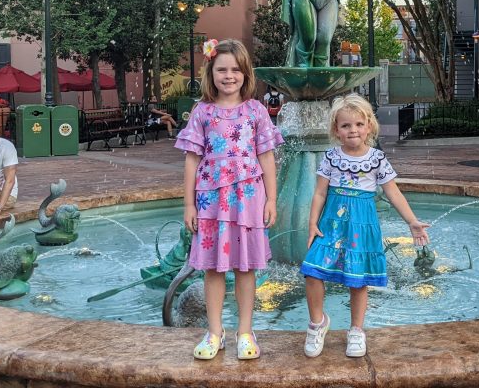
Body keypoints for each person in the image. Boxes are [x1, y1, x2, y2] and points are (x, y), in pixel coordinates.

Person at [174, 39, 283, 360]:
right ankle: (214, 332)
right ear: (211, 72)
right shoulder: (202, 112)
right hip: (210, 201)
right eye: (221, 69)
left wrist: (272, 200)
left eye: (235, 69)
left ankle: (245, 332)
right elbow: (191, 160)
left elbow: (267, 158)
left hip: (248, 199)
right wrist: (189, 204)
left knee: (246, 268)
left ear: (245, 73)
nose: (229, 75)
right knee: (213, 269)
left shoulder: (256, 112)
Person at [300, 93, 431, 358]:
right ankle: (317, 323)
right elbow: (319, 193)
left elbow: (393, 193)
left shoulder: (376, 159)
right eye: (346, 125)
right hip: (332, 225)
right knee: (313, 271)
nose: (353, 130)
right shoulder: (331, 157)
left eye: (359, 124)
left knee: (358, 280)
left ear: (369, 126)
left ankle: (357, 330)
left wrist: (412, 221)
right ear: (336, 130)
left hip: (362, 226)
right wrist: (312, 223)